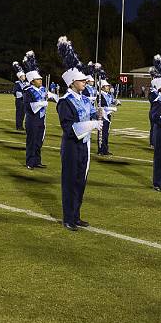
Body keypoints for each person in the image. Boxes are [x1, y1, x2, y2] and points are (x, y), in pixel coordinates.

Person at [56, 36, 102, 231]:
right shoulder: (65, 101)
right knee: (70, 181)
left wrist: (100, 112)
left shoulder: (84, 99)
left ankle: (76, 215)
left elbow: (91, 114)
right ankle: (68, 217)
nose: (85, 82)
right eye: (81, 80)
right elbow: (70, 127)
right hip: (72, 146)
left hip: (85, 145)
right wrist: (93, 123)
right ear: (72, 82)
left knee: (81, 181)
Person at [21, 51, 56, 169]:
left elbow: (55, 97)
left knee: (39, 141)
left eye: (41, 79)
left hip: (41, 119)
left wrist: (53, 95)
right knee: (32, 141)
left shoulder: (42, 89)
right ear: (32, 81)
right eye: (38, 79)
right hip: (32, 119)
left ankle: (37, 161)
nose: (41, 81)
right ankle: (30, 162)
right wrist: (43, 102)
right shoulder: (27, 91)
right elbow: (31, 106)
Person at [97, 69, 120, 156]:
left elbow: (111, 101)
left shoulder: (107, 94)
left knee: (106, 133)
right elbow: (102, 107)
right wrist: (112, 109)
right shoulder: (100, 95)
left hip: (108, 116)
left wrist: (116, 102)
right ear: (102, 87)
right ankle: (101, 150)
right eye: (106, 86)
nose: (108, 87)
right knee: (102, 134)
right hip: (102, 116)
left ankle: (105, 149)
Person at [12, 62, 27, 131]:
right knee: (19, 113)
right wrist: (23, 94)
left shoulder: (26, 83)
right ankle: (18, 126)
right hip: (19, 100)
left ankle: (21, 125)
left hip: (24, 100)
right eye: (23, 76)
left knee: (23, 114)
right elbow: (15, 92)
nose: (25, 77)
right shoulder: (17, 83)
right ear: (20, 77)